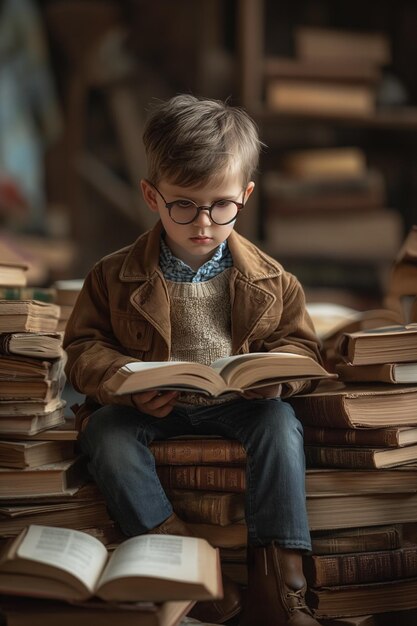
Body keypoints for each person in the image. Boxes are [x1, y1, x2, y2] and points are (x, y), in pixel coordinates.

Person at [64, 94, 323, 626]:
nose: (203, 222)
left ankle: (281, 584)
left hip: (238, 405)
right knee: (105, 435)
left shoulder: (273, 279)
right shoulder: (111, 276)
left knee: (281, 424)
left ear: (245, 195)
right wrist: (122, 382)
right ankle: (188, 568)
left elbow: (302, 348)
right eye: (183, 204)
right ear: (152, 196)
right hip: (148, 407)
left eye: (222, 205)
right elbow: (82, 350)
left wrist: (277, 383)